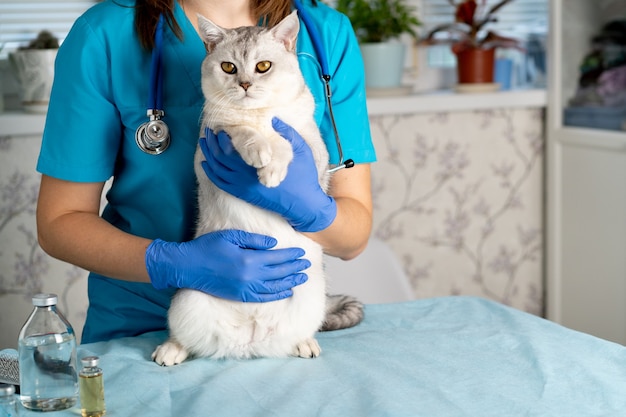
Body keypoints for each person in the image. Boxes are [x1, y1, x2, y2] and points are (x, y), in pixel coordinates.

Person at [35, 0, 376, 344]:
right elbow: (58, 223)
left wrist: (309, 208)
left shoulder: (325, 32)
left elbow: (353, 237)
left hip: (279, 322)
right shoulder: (104, 33)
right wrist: (172, 263)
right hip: (142, 328)